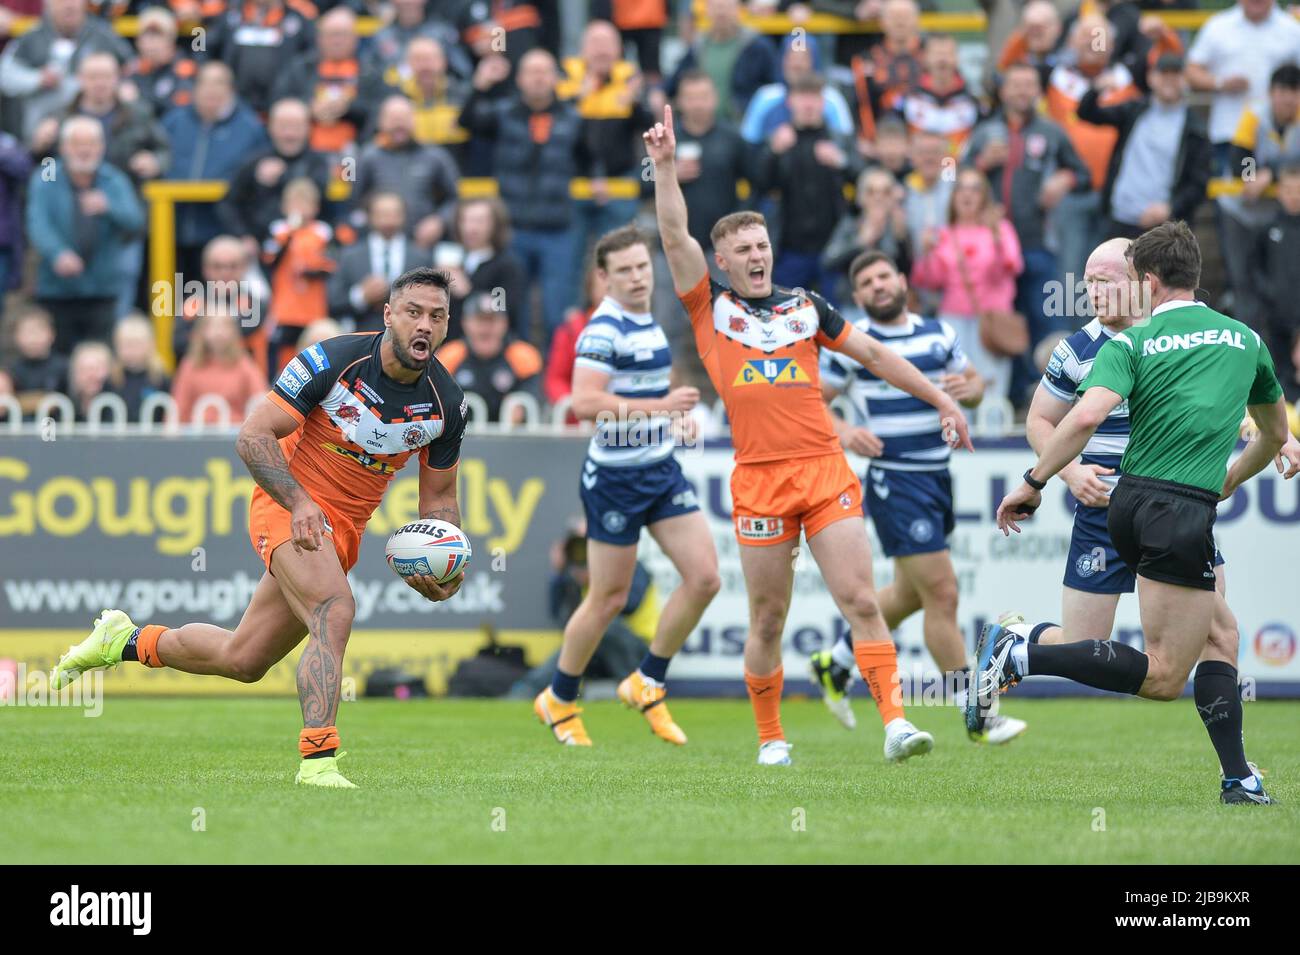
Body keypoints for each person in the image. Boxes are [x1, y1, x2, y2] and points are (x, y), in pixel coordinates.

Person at [52, 269, 470, 789]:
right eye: (413, 312)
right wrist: (296, 502)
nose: (424, 325)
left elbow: (439, 501)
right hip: (287, 505)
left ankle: (124, 640)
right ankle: (318, 761)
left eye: (437, 315)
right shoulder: (333, 359)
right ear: (388, 315)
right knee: (335, 609)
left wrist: (448, 559)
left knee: (243, 658)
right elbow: (252, 437)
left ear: (448, 325)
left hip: (340, 533)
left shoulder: (446, 404)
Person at [646, 105, 973, 766]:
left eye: (762, 246)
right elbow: (675, 235)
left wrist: (942, 396)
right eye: (743, 249)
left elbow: (877, 357)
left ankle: (896, 723)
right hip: (761, 478)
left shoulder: (807, 306)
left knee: (859, 598)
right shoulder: (709, 307)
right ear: (723, 260)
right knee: (768, 616)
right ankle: (771, 736)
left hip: (824, 469)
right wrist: (662, 166)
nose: (757, 256)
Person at [977, 222, 1294, 805]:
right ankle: (1019, 651)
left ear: (1142, 281)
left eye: (1104, 280)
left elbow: (1194, 407)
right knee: (1160, 672)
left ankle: (1238, 775)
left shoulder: (1136, 344)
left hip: (1137, 503)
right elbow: (1057, 418)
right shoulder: (1226, 338)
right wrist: (1062, 474)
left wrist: (1031, 482)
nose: (1093, 291)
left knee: (1220, 634)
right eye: (1087, 282)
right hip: (1150, 504)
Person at [809, 250, 1025, 743]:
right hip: (895, 479)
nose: (878, 285)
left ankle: (836, 663)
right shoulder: (855, 341)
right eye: (866, 282)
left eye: (884, 275)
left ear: (902, 280)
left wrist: (965, 389)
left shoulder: (939, 333)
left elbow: (972, 387)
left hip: (936, 476)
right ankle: (978, 712)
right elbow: (813, 402)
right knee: (943, 594)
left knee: (908, 595)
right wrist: (845, 431)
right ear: (858, 296)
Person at [532, 225, 721, 747]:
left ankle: (646, 679)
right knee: (608, 598)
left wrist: (671, 424)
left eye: (643, 266)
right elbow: (586, 403)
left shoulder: (649, 322)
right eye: (626, 270)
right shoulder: (602, 330)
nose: (639, 277)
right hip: (615, 480)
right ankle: (559, 698)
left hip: (659, 470)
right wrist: (663, 409)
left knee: (705, 578)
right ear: (603, 278)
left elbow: (640, 401)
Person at [25, 115, 144, 353]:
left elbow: (137, 222)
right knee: (59, 354)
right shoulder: (48, 173)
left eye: (91, 143)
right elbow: (37, 221)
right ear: (63, 147)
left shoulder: (113, 179)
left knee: (101, 354)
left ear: (101, 147)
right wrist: (57, 253)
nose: (84, 150)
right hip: (57, 288)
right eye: (77, 143)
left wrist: (109, 207)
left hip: (102, 287)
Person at [910, 167, 1024, 404]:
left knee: (991, 382)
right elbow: (930, 282)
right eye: (961, 188)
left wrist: (996, 239)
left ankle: (992, 437)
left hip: (991, 321)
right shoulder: (941, 234)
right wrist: (926, 252)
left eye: (975, 188)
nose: (967, 194)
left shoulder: (1001, 228)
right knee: (957, 383)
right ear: (953, 196)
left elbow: (1011, 268)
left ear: (984, 196)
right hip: (953, 319)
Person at [1077, 54, 1211, 242]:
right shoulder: (1135, 110)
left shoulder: (1195, 129)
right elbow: (1087, 113)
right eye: (1164, 74)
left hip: (1163, 229)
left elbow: (1199, 183)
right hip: (1120, 218)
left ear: (1185, 80)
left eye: (1176, 75)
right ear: (1151, 78)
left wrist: (1170, 208)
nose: (1169, 81)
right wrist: (1096, 88)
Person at [329, 192, 433, 334]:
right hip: (362, 335)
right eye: (382, 213)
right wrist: (361, 295)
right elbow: (333, 300)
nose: (389, 219)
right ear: (370, 216)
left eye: (394, 213)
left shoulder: (421, 256)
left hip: (409, 336)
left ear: (404, 216)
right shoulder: (349, 255)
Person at [435, 292, 542, 424]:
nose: (485, 329)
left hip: (511, 438)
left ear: (504, 323)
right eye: (479, 320)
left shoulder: (523, 355)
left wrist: (521, 406)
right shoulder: (450, 356)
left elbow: (533, 396)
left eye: (492, 321)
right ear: (465, 323)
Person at [109, 312, 170, 423]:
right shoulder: (111, 380)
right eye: (126, 344)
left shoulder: (161, 379)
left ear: (150, 345)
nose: (132, 350)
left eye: (137, 344)